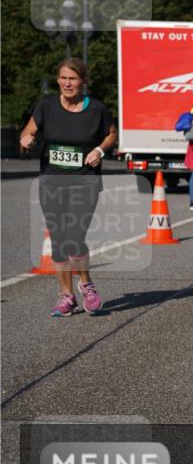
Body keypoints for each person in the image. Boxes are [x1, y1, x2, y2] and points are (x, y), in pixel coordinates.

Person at [20, 58, 116, 317]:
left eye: (72, 78)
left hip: (86, 180)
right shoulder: (46, 106)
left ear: (83, 82)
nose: (66, 83)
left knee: (74, 235)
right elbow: (28, 132)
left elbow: (111, 133)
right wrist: (26, 138)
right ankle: (66, 295)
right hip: (51, 182)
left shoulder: (96, 109)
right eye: (63, 78)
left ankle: (86, 285)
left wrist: (99, 149)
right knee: (60, 240)